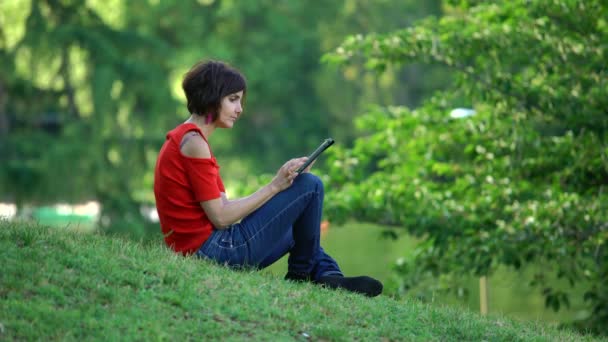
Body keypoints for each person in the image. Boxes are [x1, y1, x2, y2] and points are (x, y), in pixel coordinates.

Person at [153, 60, 383, 297]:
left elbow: (224, 209)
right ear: (212, 97)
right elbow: (221, 218)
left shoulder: (191, 139)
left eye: (240, 100)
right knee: (311, 186)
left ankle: (328, 276)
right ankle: (300, 275)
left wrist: (281, 190)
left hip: (208, 247)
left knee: (300, 225)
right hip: (212, 252)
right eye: (233, 99)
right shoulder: (194, 144)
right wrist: (275, 186)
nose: (240, 109)